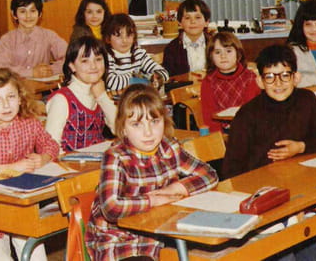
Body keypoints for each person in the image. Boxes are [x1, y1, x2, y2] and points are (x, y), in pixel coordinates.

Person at [222, 44, 316, 260]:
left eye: (284, 75)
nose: (278, 83)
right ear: (259, 81)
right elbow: (231, 169)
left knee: (307, 238)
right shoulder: (247, 114)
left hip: (302, 190)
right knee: (285, 250)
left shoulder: (307, 101)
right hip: (263, 196)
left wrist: (301, 147)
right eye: (270, 77)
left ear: (296, 77)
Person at [86, 84, 218, 260]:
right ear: (123, 128)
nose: (148, 132)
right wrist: (153, 200)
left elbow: (209, 175)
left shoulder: (169, 148)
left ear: (165, 120)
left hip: (159, 233)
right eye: (136, 124)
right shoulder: (117, 157)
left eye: (154, 122)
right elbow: (111, 207)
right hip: (120, 242)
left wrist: (174, 189)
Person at [0, 69, 59, 260]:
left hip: (20, 204)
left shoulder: (28, 122)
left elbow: (51, 144)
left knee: (35, 253)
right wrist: (12, 168)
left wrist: (44, 158)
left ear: (20, 98)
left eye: (11, 97)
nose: (6, 105)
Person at [45, 35, 116, 152]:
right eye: (85, 61)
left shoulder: (99, 94)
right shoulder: (62, 99)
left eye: (98, 59)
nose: (93, 66)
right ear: (72, 66)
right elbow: (51, 147)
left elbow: (120, 130)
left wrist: (102, 97)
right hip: (68, 162)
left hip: (97, 159)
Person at [0, 0, 67, 79]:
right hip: (16, 85)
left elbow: (71, 57)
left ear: (40, 14)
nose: (28, 16)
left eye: (33, 11)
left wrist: (51, 70)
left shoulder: (49, 35)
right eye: (23, 11)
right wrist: (31, 72)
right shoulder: (7, 39)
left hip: (42, 86)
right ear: (14, 14)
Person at [200, 31, 261, 133]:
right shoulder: (208, 81)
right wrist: (219, 138)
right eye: (217, 52)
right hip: (222, 132)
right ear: (211, 56)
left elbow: (250, 113)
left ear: (238, 54)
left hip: (248, 130)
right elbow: (209, 117)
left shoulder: (250, 78)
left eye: (228, 51)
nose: (223, 56)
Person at [103, 13, 169, 92]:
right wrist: (139, 79)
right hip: (116, 98)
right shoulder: (106, 57)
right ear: (107, 38)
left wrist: (155, 78)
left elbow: (164, 73)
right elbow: (112, 83)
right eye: (118, 36)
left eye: (128, 35)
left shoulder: (138, 54)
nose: (124, 40)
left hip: (137, 96)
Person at [162, 0, 211, 77]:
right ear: (180, 23)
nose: (193, 21)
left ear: (207, 22)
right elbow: (170, 77)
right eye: (187, 18)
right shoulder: (172, 49)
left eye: (197, 17)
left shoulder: (215, 44)